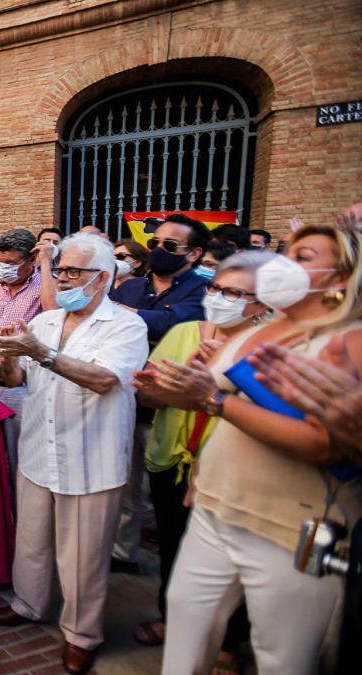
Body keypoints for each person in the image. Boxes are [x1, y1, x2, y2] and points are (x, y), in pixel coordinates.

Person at [155, 222, 361, 675]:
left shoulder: (349, 342)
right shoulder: (260, 328)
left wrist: (213, 400)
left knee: (281, 655)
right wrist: (184, 393)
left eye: (303, 258)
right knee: (187, 620)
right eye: (287, 253)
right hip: (215, 507)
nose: (284, 264)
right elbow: (218, 411)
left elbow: (324, 444)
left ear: (342, 277)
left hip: (290, 525)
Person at [0, 233, 148, 674]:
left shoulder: (127, 326)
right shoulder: (45, 322)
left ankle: (81, 634)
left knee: (83, 555)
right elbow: (20, 379)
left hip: (91, 457)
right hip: (40, 449)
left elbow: (104, 379)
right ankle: (29, 603)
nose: (64, 278)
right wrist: (7, 359)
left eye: (74, 271)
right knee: (31, 541)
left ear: (104, 279)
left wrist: (41, 353)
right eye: (60, 270)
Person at [129, 251, 273, 660]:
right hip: (174, 459)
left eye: (233, 292)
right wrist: (165, 389)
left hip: (233, 470)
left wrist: (213, 388)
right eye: (215, 288)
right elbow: (148, 392)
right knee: (175, 544)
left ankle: (227, 643)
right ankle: (170, 619)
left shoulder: (269, 344)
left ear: (261, 302)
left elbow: (268, 410)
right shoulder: (185, 331)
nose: (219, 297)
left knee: (232, 561)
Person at [108, 212, 210, 573]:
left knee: (169, 496)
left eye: (170, 245)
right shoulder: (132, 287)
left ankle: (176, 566)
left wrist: (130, 315)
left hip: (170, 405)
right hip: (124, 398)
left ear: (194, 254)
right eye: (154, 244)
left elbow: (179, 322)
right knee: (125, 484)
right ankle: (123, 552)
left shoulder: (203, 291)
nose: (158, 250)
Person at [0, 228, 45, 480]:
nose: (4, 268)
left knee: (19, 460)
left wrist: (47, 264)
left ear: (31, 260)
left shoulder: (43, 287)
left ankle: (17, 515)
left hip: (20, 389)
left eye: (12, 263)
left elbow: (52, 311)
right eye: (1, 262)